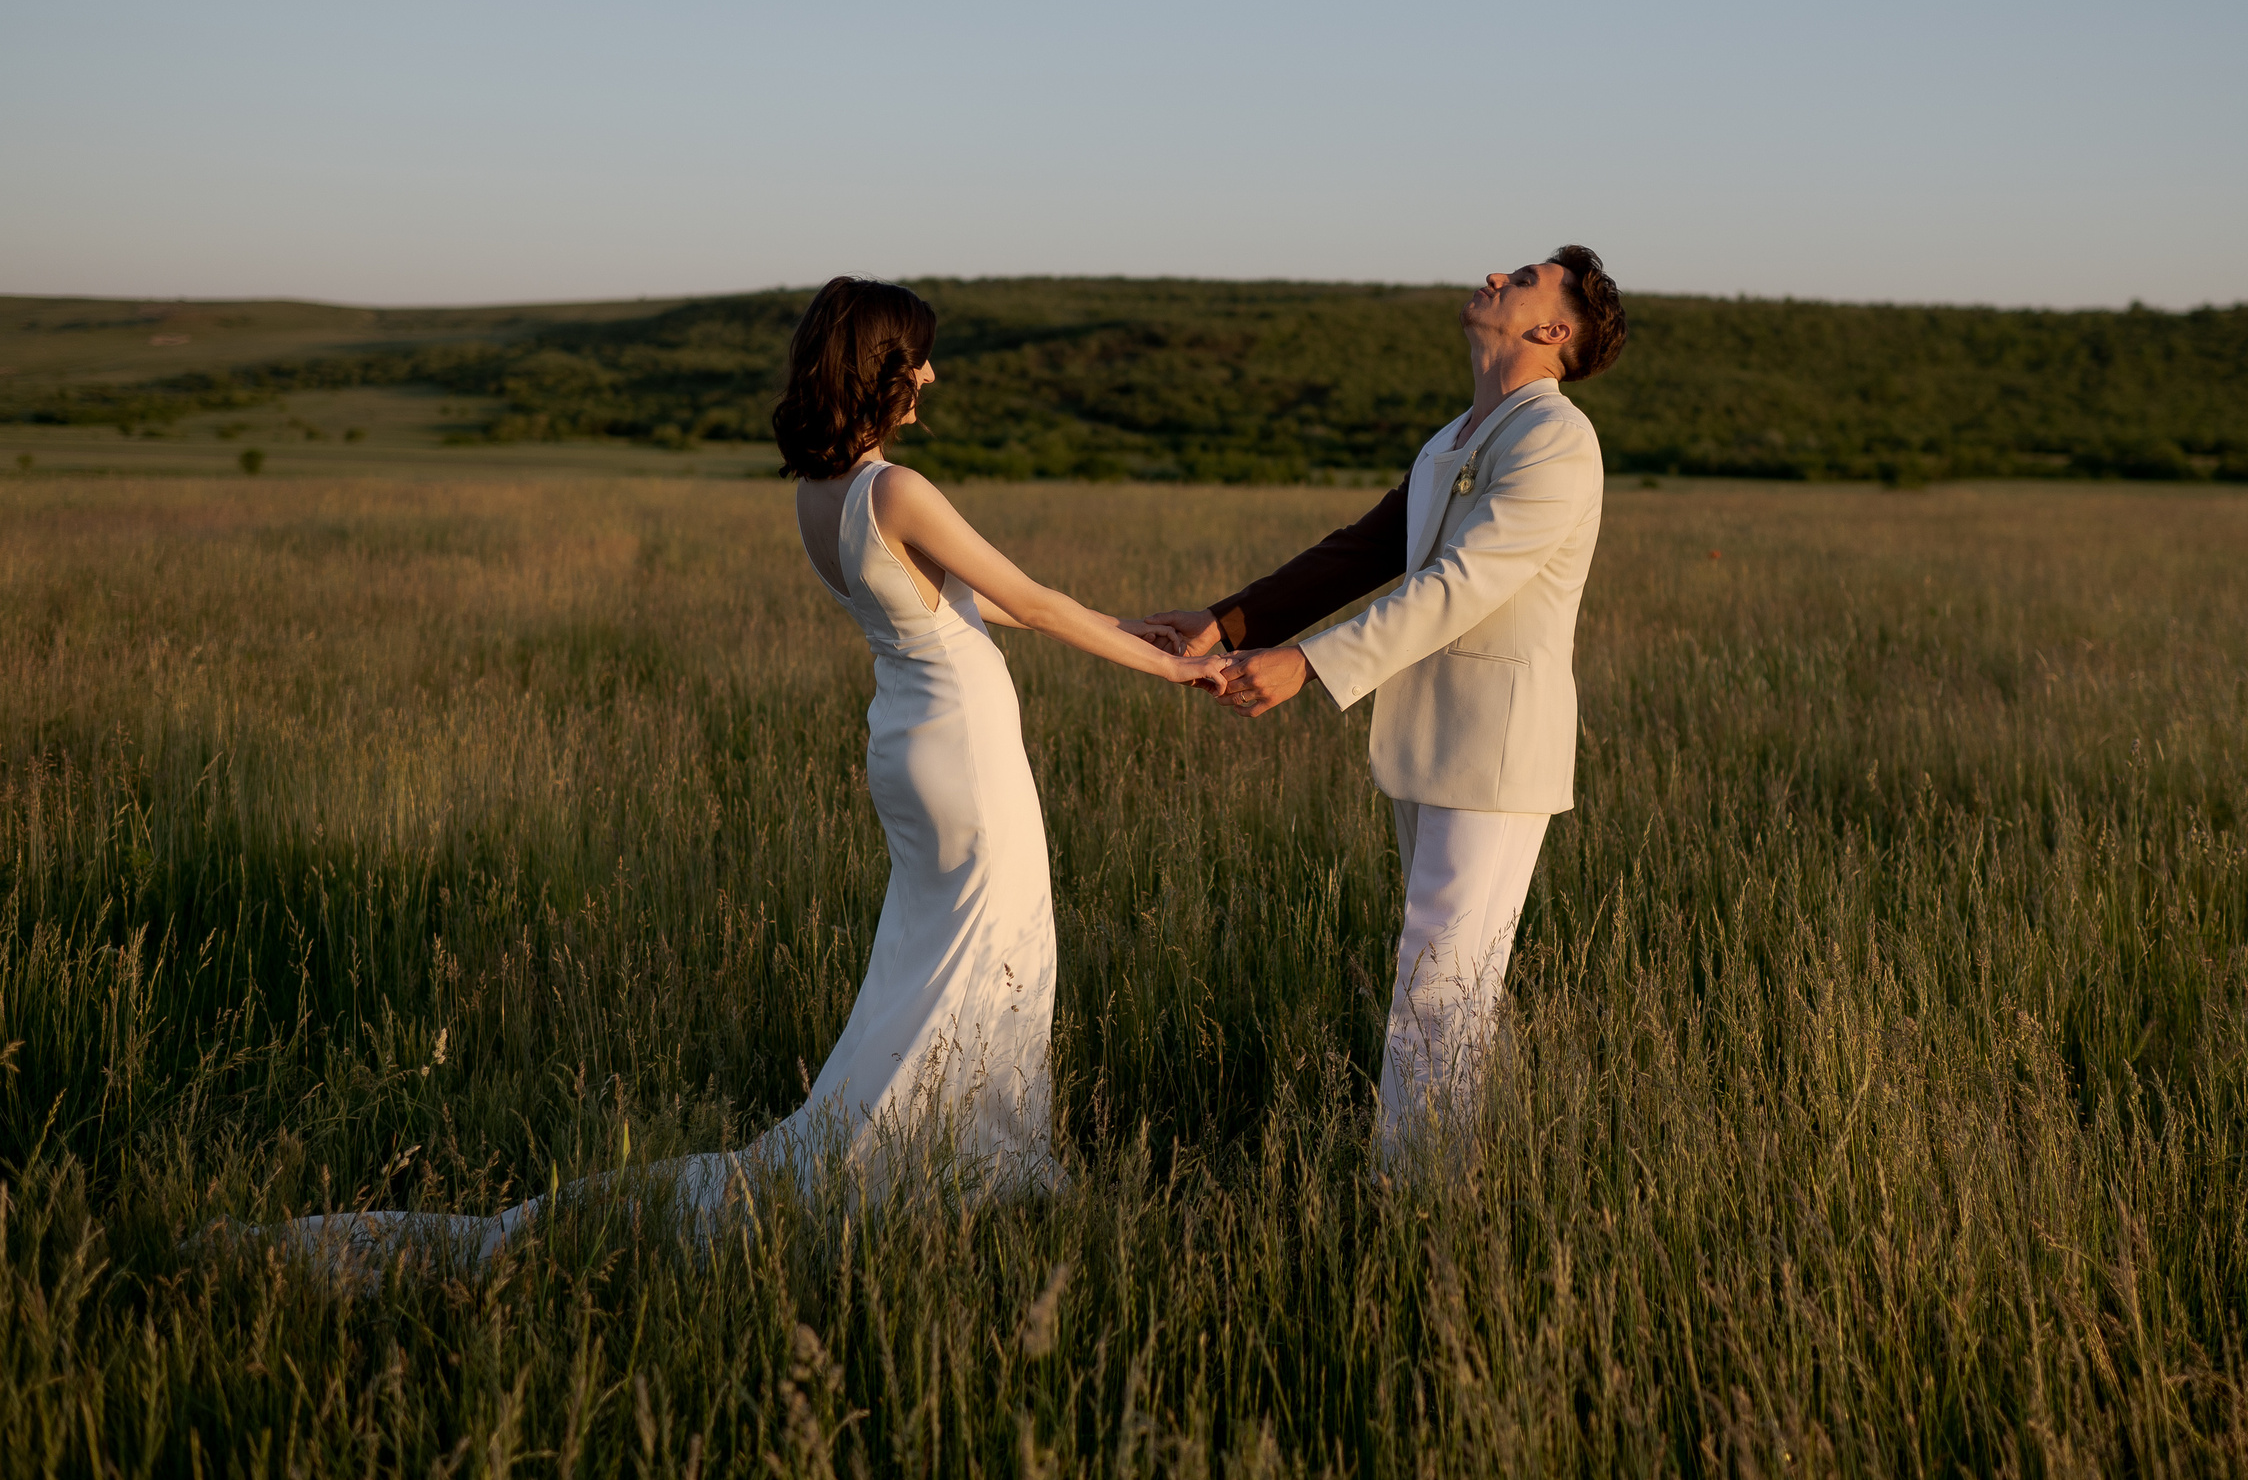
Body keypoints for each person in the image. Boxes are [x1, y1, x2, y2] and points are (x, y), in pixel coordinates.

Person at [254, 277, 1227, 1273]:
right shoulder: (897, 491)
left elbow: (983, 602)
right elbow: (1031, 598)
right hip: (963, 752)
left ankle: (942, 1148)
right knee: (988, 946)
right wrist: (1175, 668)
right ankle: (954, 1162)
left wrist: (1126, 625)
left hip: (909, 742)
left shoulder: (822, 495)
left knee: (934, 956)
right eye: (921, 357)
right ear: (884, 368)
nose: (933, 375)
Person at [1147, 246, 1626, 1164]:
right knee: (1447, 972)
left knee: (1439, 982)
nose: (1497, 276)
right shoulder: (1456, 435)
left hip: (1496, 751)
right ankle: (1469, 1164)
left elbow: (1461, 584)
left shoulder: (1556, 439)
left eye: (1524, 279)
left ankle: (1419, 1196)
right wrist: (1225, 622)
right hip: (1431, 739)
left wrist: (1306, 664)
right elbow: (1363, 550)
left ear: (1553, 329)